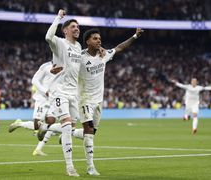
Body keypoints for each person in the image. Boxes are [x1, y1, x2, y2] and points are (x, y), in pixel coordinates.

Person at [78, 28, 143, 175]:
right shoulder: (80, 56)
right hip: (84, 99)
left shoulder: (104, 54)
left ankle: (62, 131)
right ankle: (90, 167)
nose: (99, 40)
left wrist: (135, 36)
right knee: (88, 132)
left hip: (99, 101)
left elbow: (120, 47)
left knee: (91, 133)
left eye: (99, 38)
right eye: (95, 38)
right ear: (87, 41)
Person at [45, 9, 82, 177]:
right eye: (73, 26)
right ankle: (69, 166)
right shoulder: (60, 43)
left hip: (74, 93)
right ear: (65, 30)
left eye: (78, 27)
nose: (77, 29)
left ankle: (48, 128)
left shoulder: (79, 46)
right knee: (67, 127)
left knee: (71, 127)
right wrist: (58, 17)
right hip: (60, 91)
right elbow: (48, 37)